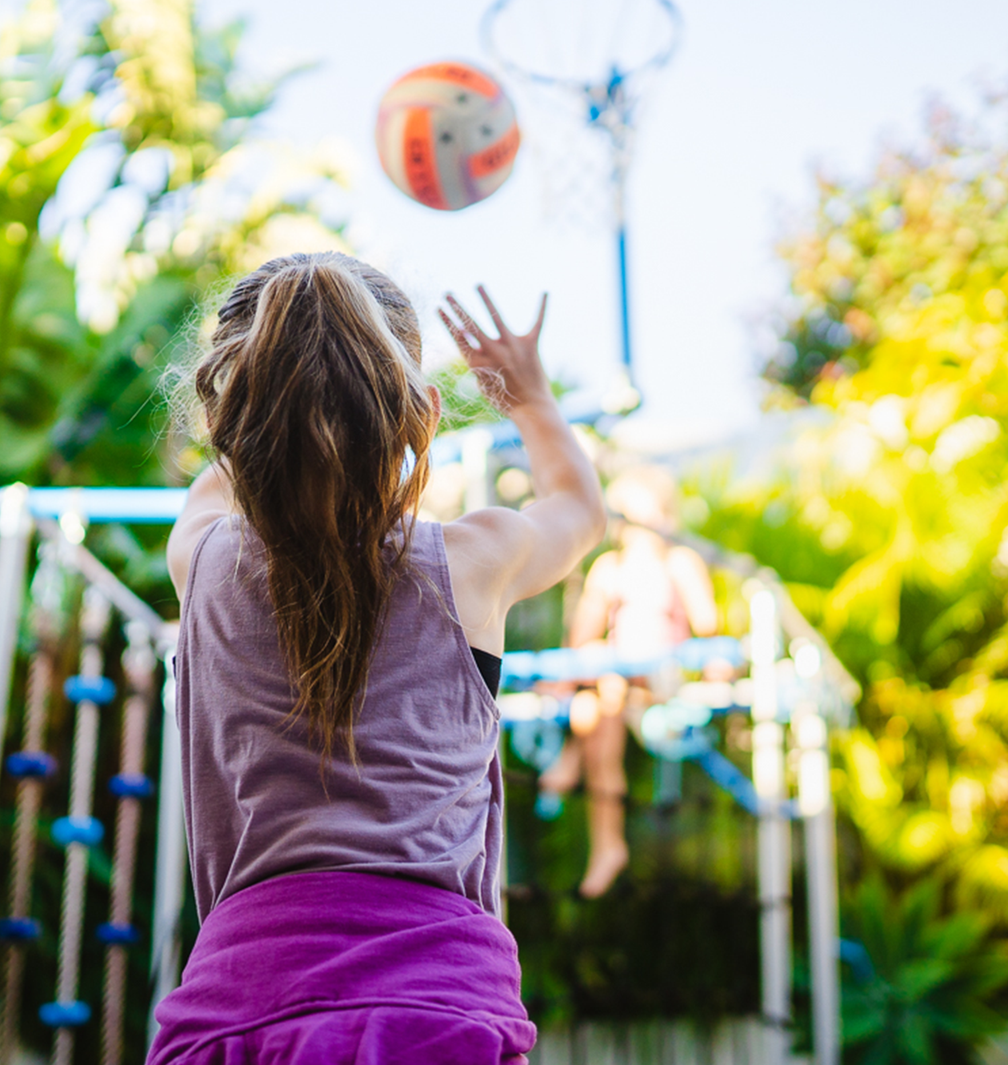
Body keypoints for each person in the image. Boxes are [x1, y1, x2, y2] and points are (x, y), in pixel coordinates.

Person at [147, 252, 605, 1065]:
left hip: (237, 1011)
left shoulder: (202, 563)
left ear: (228, 418)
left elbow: (225, 479)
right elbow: (577, 509)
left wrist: (267, 406)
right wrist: (529, 399)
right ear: (422, 417)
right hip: (440, 1007)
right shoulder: (477, 558)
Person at [539, 467, 718, 899]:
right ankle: (608, 845)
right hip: (614, 686)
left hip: (662, 676)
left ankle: (566, 765)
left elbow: (709, 630)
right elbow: (582, 637)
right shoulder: (609, 568)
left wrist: (714, 682)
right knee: (596, 711)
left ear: (663, 517)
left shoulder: (678, 562)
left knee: (601, 690)